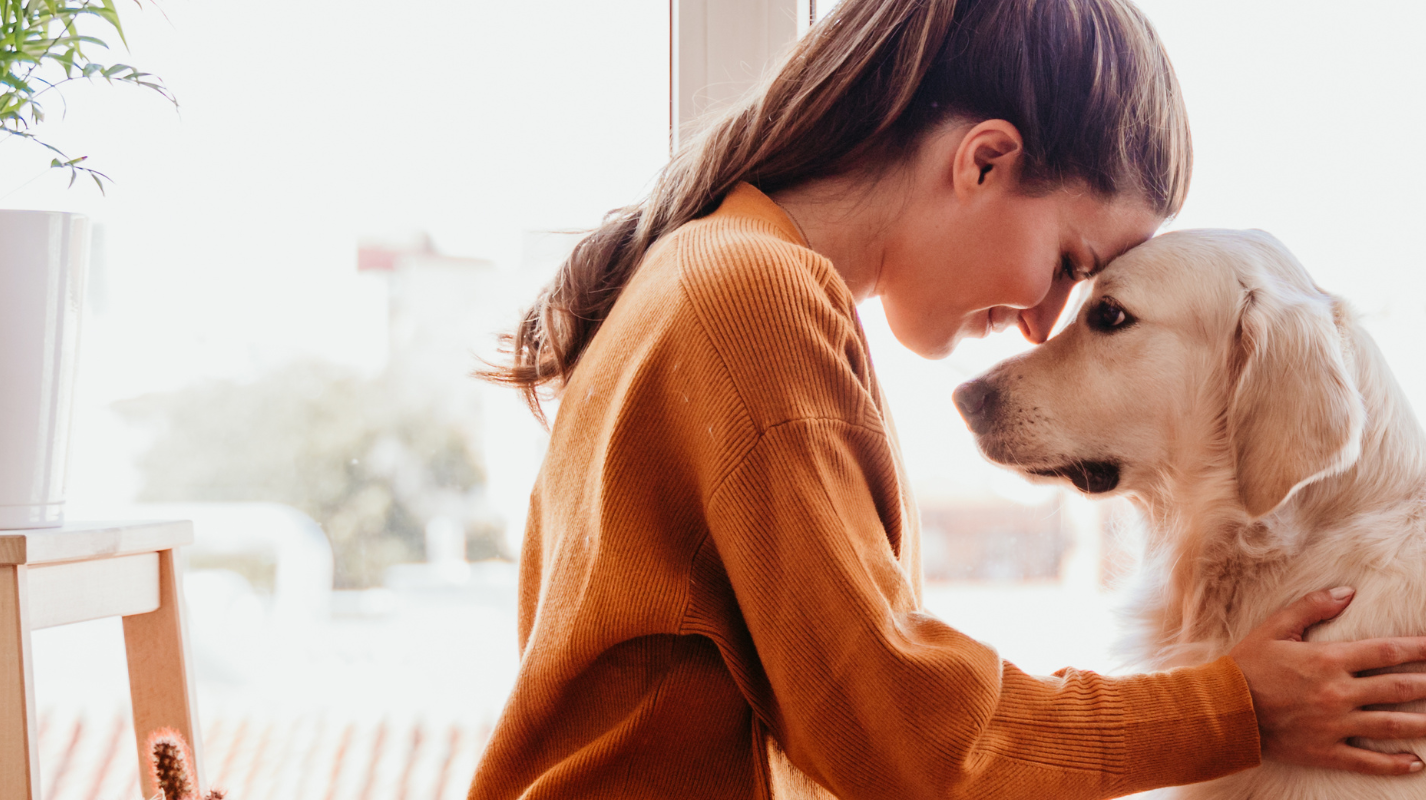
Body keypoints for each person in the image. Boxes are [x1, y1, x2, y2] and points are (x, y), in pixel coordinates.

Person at [471, 0, 1426, 797]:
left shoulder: (716, 273)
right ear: (982, 162)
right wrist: (1238, 708)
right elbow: (903, 738)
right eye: (1067, 265)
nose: (1040, 320)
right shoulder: (751, 302)